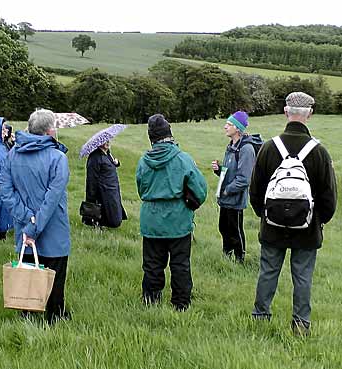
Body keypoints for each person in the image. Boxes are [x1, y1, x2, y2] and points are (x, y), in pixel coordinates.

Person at [249, 92, 337, 337]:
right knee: (303, 277)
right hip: (307, 229)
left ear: (286, 112)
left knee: (268, 272)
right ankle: (300, 325)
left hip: (272, 226)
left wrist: (264, 215)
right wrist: (318, 221)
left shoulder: (268, 148)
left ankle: (260, 319)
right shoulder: (319, 152)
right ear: (309, 114)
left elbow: (255, 190)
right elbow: (329, 198)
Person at [0, 109, 71, 324]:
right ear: (50, 131)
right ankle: (55, 316)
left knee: (28, 269)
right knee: (55, 273)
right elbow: (52, 199)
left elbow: (5, 190)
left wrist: (26, 219)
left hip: (24, 227)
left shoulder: (12, 153)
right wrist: (34, 224)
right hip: (52, 227)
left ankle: (27, 313)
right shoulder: (58, 158)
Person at [135, 114, 207, 311]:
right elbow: (200, 190)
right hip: (178, 220)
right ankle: (181, 304)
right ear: (170, 134)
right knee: (180, 264)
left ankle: (151, 301)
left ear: (151, 137)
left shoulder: (143, 161)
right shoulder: (183, 159)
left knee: (152, 265)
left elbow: (141, 190)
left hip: (151, 220)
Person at [211, 111, 256, 263]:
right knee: (224, 228)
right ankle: (227, 257)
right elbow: (230, 172)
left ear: (238, 128)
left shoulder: (246, 149)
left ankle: (240, 260)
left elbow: (244, 179)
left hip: (235, 199)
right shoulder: (231, 146)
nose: (225, 127)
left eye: (229, 124)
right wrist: (219, 169)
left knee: (235, 231)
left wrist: (227, 190)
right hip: (225, 198)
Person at [83, 140, 127, 228]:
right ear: (99, 144)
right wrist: (92, 195)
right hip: (103, 189)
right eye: (104, 142)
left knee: (116, 214)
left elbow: (111, 166)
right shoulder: (94, 157)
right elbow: (91, 178)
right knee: (112, 218)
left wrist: (117, 163)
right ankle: (98, 223)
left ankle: (105, 223)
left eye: (108, 141)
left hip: (112, 188)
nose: (107, 143)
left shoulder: (108, 154)